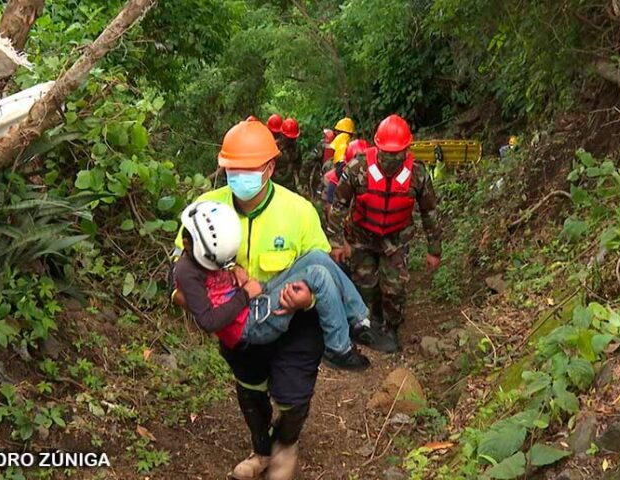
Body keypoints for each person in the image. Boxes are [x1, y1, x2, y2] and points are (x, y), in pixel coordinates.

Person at [171, 119, 343, 480]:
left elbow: (323, 268)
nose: (240, 177)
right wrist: (186, 294)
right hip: (240, 324)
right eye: (233, 170)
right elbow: (183, 260)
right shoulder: (205, 208)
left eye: (249, 169)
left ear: (270, 168)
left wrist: (306, 298)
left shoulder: (298, 212)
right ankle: (260, 452)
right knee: (250, 389)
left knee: (292, 395)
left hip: (294, 318)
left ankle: (286, 445)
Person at [174, 200, 370, 370]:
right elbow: (209, 322)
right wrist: (245, 295)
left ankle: (359, 320)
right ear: (187, 244)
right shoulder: (187, 272)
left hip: (253, 297)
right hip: (249, 323)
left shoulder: (204, 251)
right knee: (318, 275)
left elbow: (219, 274)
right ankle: (339, 349)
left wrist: (234, 268)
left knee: (316, 257)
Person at [327, 114, 442, 353]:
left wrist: (434, 249)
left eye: (397, 152)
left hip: (396, 239)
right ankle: (373, 316)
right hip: (362, 236)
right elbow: (338, 204)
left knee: (395, 289)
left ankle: (391, 327)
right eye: (387, 152)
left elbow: (429, 212)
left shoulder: (417, 174)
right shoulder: (358, 168)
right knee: (365, 286)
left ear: (407, 149)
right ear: (377, 147)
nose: (392, 157)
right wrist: (336, 241)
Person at [273, 117, 302, 192]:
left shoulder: (296, 147)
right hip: (275, 185)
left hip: (290, 186)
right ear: (282, 135)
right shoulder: (274, 147)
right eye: (289, 138)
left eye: (293, 138)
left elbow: (299, 165)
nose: (291, 141)